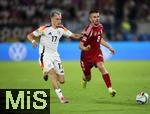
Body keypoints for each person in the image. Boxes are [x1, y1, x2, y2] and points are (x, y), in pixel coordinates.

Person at [27, 9, 81, 103]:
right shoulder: (44, 28)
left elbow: (74, 35)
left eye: (60, 19)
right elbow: (30, 35)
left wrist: (84, 35)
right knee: (53, 74)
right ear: (51, 19)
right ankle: (62, 98)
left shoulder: (61, 28)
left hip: (55, 55)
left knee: (62, 80)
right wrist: (33, 41)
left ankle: (45, 72)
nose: (59, 21)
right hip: (45, 55)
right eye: (57, 19)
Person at [79, 9, 116, 97]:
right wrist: (86, 48)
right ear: (90, 19)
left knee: (101, 66)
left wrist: (109, 47)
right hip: (86, 56)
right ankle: (84, 80)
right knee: (88, 78)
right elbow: (80, 45)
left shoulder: (100, 27)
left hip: (96, 52)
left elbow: (100, 40)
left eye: (98, 16)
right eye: (94, 17)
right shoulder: (88, 30)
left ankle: (110, 90)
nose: (97, 18)